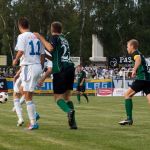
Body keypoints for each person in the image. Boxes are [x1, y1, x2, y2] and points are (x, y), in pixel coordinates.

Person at [34, 21, 77, 129]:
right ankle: (73, 123)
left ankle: (69, 111)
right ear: (61, 30)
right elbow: (55, 55)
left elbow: (51, 48)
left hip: (60, 69)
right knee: (67, 97)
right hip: (70, 68)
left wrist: (40, 37)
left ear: (52, 30)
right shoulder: (65, 39)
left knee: (58, 98)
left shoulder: (54, 37)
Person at [13, 17, 45, 130]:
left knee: (27, 96)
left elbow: (21, 51)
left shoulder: (22, 36)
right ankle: (34, 115)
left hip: (28, 67)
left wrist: (15, 60)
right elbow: (42, 55)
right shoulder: (36, 36)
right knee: (23, 90)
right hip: (37, 67)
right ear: (28, 25)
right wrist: (40, 67)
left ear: (19, 26)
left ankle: (33, 122)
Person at [119, 39, 150, 125]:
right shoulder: (139, 53)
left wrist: (134, 70)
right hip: (147, 79)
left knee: (127, 95)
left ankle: (129, 119)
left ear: (132, 46)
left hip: (141, 78)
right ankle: (129, 119)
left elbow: (138, 59)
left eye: (127, 46)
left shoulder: (135, 53)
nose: (127, 48)